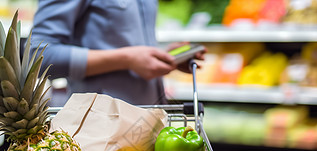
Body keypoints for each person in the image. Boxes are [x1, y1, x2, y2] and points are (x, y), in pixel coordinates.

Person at [30, 0, 205, 105]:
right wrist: (127, 59)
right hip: (102, 130)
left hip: (151, 121)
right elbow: (39, 55)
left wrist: (163, 56)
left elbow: (123, 41)